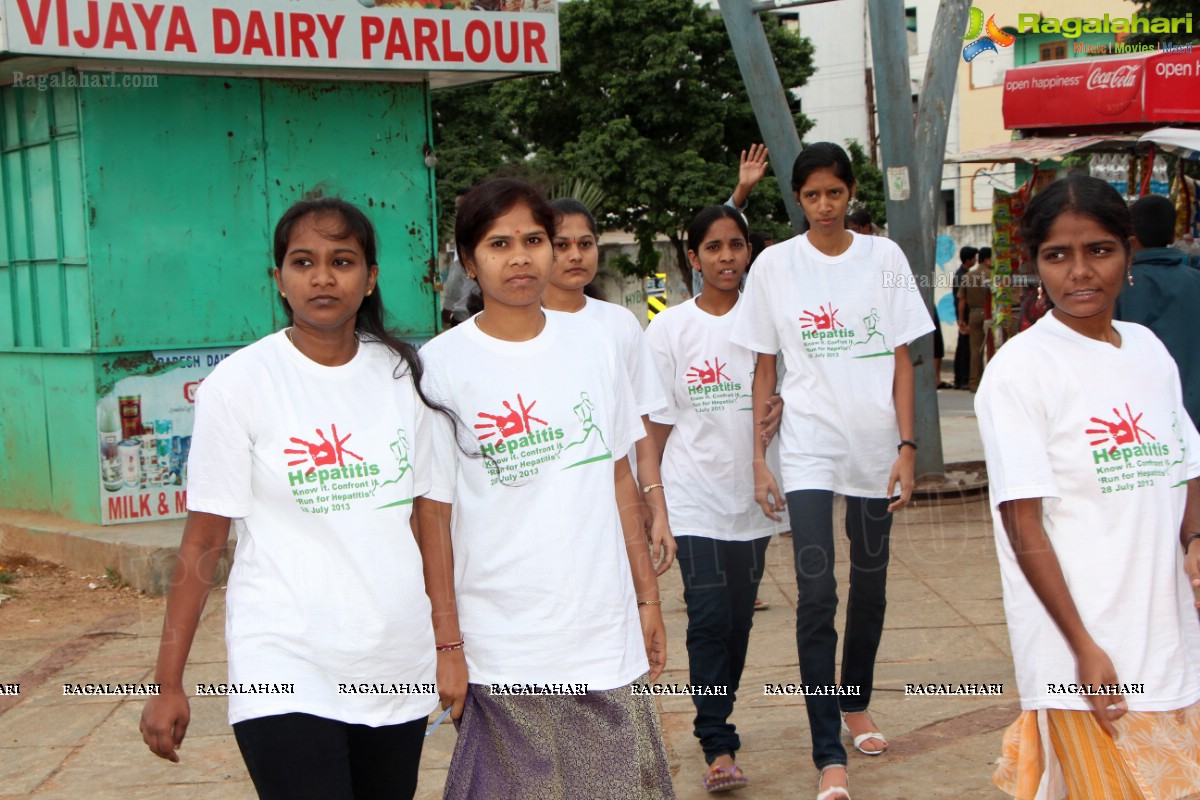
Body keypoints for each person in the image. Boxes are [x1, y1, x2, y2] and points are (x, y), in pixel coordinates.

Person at [140, 198, 440, 799]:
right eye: (303, 261)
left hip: (392, 660)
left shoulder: (404, 377)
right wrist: (167, 680)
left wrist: (450, 645)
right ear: (279, 280)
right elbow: (204, 539)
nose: (323, 276)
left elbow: (431, 520)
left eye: (342, 261)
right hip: (281, 660)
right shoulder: (240, 384)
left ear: (370, 277)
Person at [415, 179, 676, 800]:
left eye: (533, 240)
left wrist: (647, 600)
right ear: (469, 259)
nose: (520, 256)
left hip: (600, 629)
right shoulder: (439, 367)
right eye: (498, 243)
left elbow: (619, 479)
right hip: (501, 638)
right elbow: (432, 518)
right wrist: (448, 641)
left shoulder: (597, 345)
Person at [976, 174, 1200, 799]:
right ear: (1035, 266)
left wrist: (1196, 538)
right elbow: (1024, 524)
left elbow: (1188, 463)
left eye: (1098, 250)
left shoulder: (1149, 351)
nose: (1080, 271)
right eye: (1058, 255)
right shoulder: (1020, 370)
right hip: (1084, 655)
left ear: (1129, 253)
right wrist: (1083, 651)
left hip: (1169, 642)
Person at [732, 142, 933, 800]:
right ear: (797, 199)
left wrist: (907, 446)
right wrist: (760, 459)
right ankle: (827, 752)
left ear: (851, 195)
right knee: (817, 593)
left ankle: (855, 702)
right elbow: (766, 365)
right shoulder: (774, 267)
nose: (823, 206)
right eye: (812, 195)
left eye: (834, 194)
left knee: (870, 587)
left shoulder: (885, 259)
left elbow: (902, 360)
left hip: (875, 444)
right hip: (809, 444)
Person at [646, 206, 790, 793]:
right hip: (692, 495)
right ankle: (717, 740)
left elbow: (798, 386)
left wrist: (784, 405)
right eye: (713, 247)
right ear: (694, 256)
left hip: (755, 498)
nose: (726, 257)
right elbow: (653, 427)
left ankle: (717, 715)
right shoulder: (669, 329)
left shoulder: (770, 323)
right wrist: (651, 503)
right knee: (707, 618)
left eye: (736, 245)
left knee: (736, 623)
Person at [542, 197, 675, 575]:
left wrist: (655, 504)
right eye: (561, 245)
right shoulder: (521, 329)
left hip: (619, 502)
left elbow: (643, 426)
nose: (575, 255)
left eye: (585, 244)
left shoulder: (620, 324)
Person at [1115, 193, 1200, 431]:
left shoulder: (1119, 287)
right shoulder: (1195, 281)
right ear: (1173, 236)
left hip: (1144, 423)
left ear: (1130, 237)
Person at [442, 188, 479, 327]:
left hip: (464, 314)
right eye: (457, 208)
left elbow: (456, 276)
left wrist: (447, 307)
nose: (458, 213)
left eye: (461, 208)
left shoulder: (466, 235)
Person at [960, 246, 992, 392]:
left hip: (973, 314)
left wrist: (961, 320)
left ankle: (974, 383)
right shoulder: (993, 275)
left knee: (975, 350)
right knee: (992, 348)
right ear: (988, 259)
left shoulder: (968, 276)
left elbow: (962, 301)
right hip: (990, 314)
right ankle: (990, 381)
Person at [952, 246, 978, 389]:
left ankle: (960, 379)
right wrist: (961, 320)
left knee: (963, 348)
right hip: (965, 318)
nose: (975, 260)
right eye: (974, 258)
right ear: (968, 260)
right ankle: (962, 379)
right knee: (965, 349)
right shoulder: (963, 276)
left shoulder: (963, 274)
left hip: (964, 316)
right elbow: (960, 300)